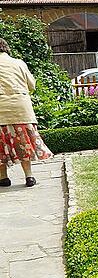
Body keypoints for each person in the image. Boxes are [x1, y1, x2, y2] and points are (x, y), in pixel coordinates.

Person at [0, 38, 53, 187]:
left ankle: (3, 177)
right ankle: (29, 176)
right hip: (21, 109)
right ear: (6, 48)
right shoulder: (19, 63)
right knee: (23, 144)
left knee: (0, 145)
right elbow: (32, 85)